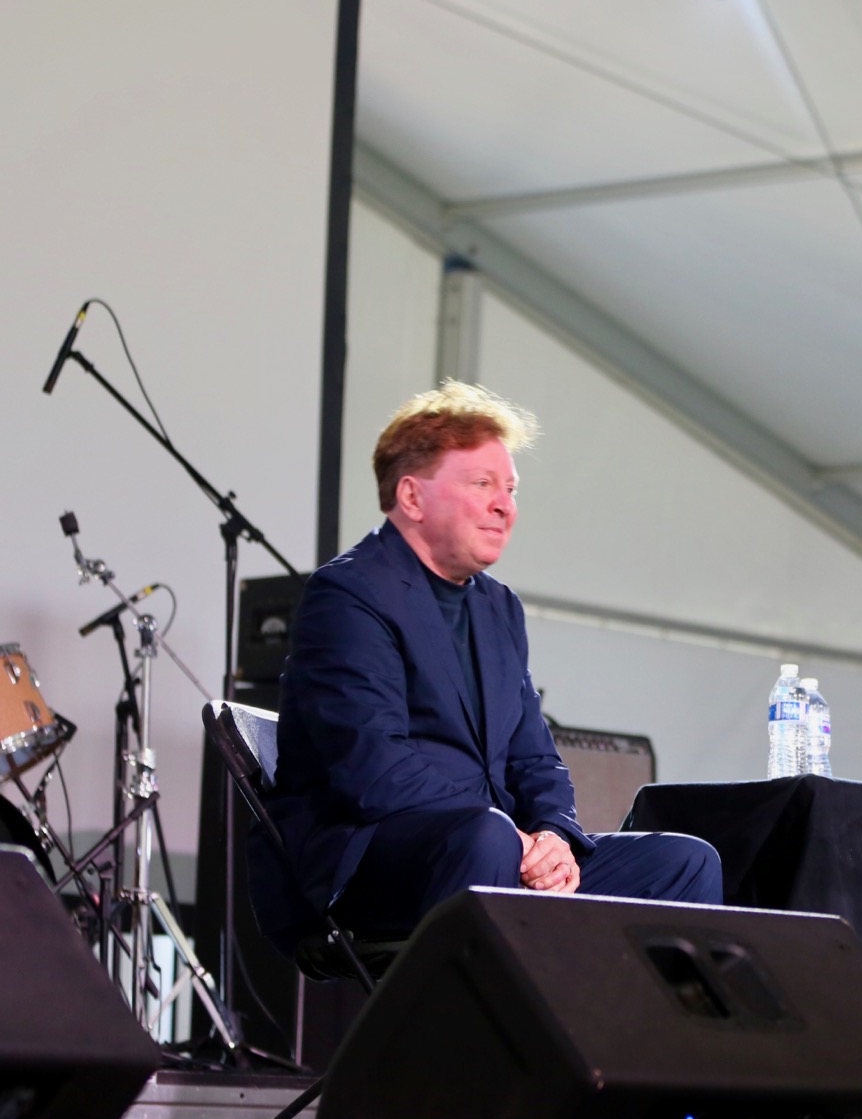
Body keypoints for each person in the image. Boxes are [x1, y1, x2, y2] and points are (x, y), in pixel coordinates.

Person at [255, 382, 720, 953]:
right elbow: (374, 770)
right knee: (486, 837)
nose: (505, 505)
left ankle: (609, 1016)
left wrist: (553, 835)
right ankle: (480, 1013)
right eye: (482, 484)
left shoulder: (499, 607)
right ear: (412, 497)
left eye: (511, 489)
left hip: (495, 847)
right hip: (372, 861)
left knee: (685, 861)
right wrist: (515, 840)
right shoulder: (349, 594)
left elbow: (535, 758)